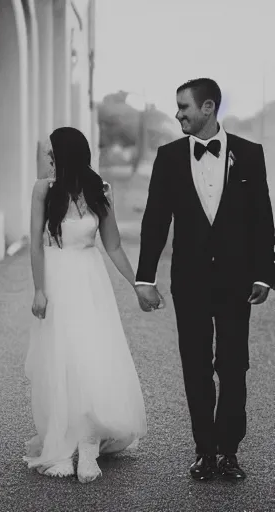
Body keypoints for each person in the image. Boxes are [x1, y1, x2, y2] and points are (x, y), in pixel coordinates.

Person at [135, 78, 275, 481]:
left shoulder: (250, 154)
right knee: (195, 366)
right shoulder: (169, 157)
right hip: (190, 281)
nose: (178, 114)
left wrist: (265, 274)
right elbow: (155, 221)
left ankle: (230, 451)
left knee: (234, 366)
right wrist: (145, 277)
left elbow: (262, 219)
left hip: (237, 281)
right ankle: (205, 451)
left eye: (184, 107)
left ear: (208, 107)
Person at [23, 127, 148, 484]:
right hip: (57, 281)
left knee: (92, 358)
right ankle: (62, 446)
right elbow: (35, 244)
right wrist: (38, 290)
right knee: (62, 361)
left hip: (91, 284)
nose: (48, 159)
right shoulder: (42, 190)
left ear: (67, 155)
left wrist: (138, 285)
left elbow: (113, 246)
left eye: (52, 154)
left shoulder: (100, 191)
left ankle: (89, 447)